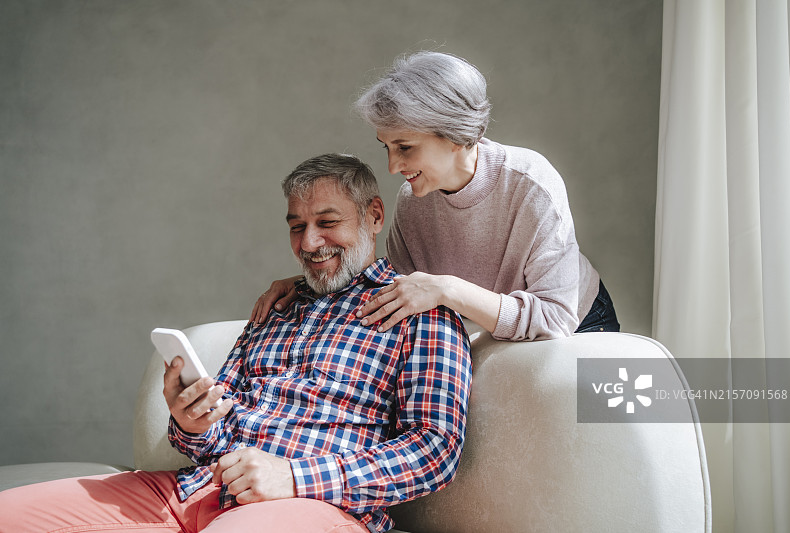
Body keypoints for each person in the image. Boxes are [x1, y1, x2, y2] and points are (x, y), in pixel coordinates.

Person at [0, 154, 472, 533]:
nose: (310, 242)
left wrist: (292, 477)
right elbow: (212, 436)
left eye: (327, 222)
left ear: (373, 216)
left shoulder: (422, 311)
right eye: (295, 226)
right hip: (195, 492)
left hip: (316, 507)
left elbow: (434, 451)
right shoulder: (277, 307)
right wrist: (193, 421)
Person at [251, 51, 620, 342]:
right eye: (387, 148)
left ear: (456, 135)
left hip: (579, 324)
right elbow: (395, 287)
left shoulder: (530, 183)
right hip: (496, 334)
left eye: (405, 147)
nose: (393, 166)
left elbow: (554, 317)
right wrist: (302, 286)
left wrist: (448, 289)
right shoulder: (413, 200)